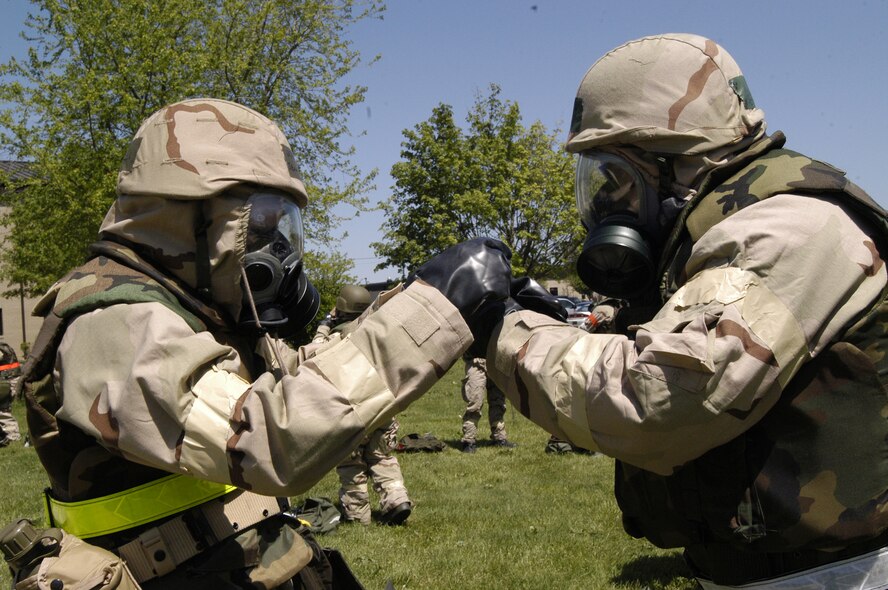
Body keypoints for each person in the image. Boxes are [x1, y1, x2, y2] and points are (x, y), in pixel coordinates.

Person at [421, 33, 888, 589]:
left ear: (675, 165)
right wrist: (545, 315)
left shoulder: (787, 227)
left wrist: (498, 327)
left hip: (837, 573)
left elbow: (658, 400)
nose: (600, 205)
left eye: (613, 178)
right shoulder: (724, 224)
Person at [15, 98, 513, 589]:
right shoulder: (112, 319)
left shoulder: (197, 312)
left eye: (283, 227)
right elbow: (267, 439)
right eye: (259, 227)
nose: (274, 250)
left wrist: (418, 302)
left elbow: (302, 377)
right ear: (185, 220)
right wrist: (432, 312)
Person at [313, 285, 413, 526]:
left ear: (340, 308)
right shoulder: (376, 334)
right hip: (382, 408)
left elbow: (312, 354)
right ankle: (397, 500)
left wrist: (325, 324)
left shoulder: (335, 339)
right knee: (382, 458)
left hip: (350, 412)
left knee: (351, 464)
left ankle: (359, 515)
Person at [459, 355, 515, 453]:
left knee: (498, 402)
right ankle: (469, 441)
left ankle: (499, 438)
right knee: (475, 403)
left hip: (497, 361)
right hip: (475, 362)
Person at [0, 341, 22, 447]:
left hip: (7, 381)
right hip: (7, 380)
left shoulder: (1, 349)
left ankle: (12, 435)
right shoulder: (4, 346)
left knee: (2, 409)